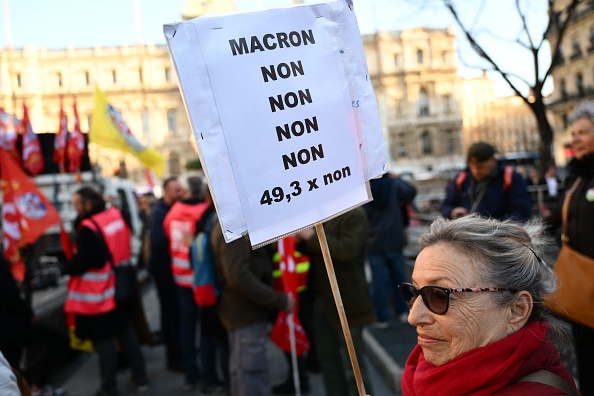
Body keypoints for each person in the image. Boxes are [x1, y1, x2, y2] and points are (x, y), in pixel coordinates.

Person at [400, 215, 579, 395]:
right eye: (414, 293)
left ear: (517, 310)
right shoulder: (425, 373)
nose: (413, 317)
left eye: (439, 296)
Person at [63, 187, 148, 396]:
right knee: (127, 333)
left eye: (77, 205)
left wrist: (66, 267)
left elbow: (87, 261)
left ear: (88, 204)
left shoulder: (89, 227)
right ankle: (140, 377)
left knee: (103, 342)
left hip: (102, 294)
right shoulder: (114, 214)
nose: (76, 209)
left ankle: (108, 389)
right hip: (123, 283)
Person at [210, 209, 295, 396]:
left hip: (243, 312)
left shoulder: (231, 222)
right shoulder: (234, 227)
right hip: (244, 313)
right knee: (250, 375)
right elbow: (238, 277)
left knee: (246, 371)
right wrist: (278, 299)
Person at [296, 208, 375, 396]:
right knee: (328, 363)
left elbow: (346, 251)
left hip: (347, 302)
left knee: (354, 366)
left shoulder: (354, 214)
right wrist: (300, 242)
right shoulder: (322, 215)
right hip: (322, 300)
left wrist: (310, 237)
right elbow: (316, 252)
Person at [545, 101, 594, 395]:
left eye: (583, 132)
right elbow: (555, 220)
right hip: (582, 285)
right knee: (587, 360)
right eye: (573, 133)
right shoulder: (576, 178)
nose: (574, 138)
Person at [163, 176, 208, 390]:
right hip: (202, 279)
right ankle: (209, 376)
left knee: (187, 328)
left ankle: (191, 374)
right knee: (207, 329)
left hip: (181, 279)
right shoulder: (205, 212)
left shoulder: (172, 213)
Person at [0, 256, 68, 396]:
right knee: (13, 370)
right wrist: (28, 313)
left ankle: (37, 386)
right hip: (12, 327)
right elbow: (11, 296)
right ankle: (36, 387)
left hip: (14, 326)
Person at [364, 173, 417, 327]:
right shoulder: (393, 185)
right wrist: (397, 178)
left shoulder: (364, 188)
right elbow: (411, 192)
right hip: (394, 239)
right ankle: (402, 311)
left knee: (379, 281)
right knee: (400, 279)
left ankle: (381, 317)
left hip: (374, 242)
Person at [440, 141, 532, 221]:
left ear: (493, 161)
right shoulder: (461, 178)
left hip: (498, 235)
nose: (476, 171)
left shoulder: (511, 178)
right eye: (473, 167)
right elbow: (446, 205)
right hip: (468, 234)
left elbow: (522, 213)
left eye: (480, 167)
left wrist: (494, 226)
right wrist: (452, 212)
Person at [148, 177, 184, 372]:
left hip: (174, 272)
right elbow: (161, 242)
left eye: (181, 190)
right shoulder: (159, 213)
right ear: (166, 192)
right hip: (165, 274)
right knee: (170, 315)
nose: (180, 194)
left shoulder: (171, 209)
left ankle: (181, 351)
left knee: (178, 315)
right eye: (176, 190)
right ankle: (174, 357)